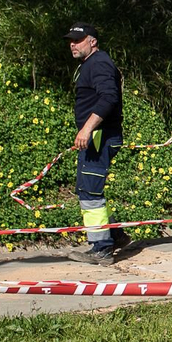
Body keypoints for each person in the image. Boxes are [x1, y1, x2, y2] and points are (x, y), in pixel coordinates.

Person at [64, 22, 132, 265]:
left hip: (100, 136)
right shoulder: (90, 64)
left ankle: (102, 249)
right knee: (87, 188)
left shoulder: (99, 63)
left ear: (92, 41)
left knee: (90, 189)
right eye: (70, 40)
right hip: (97, 136)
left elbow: (109, 98)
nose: (73, 44)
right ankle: (115, 236)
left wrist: (86, 128)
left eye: (78, 40)